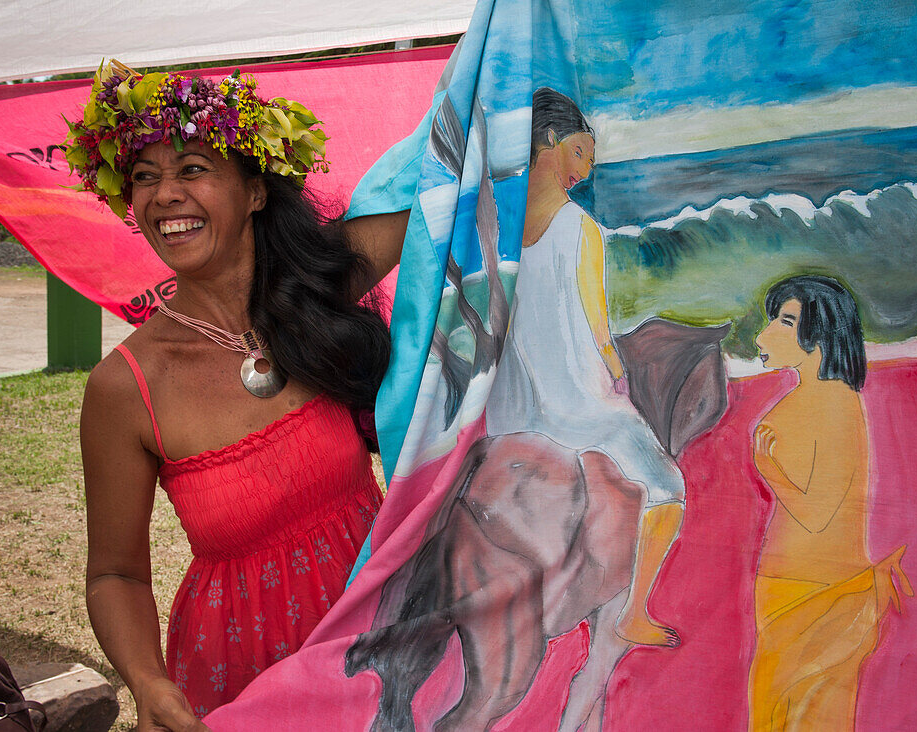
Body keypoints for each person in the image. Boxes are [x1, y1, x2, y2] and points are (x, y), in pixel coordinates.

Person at [67, 61, 406, 730]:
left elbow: (440, 175)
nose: (164, 194)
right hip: (242, 674)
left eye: (192, 168)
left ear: (254, 190)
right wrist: (146, 682)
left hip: (379, 629)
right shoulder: (125, 387)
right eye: (144, 176)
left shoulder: (313, 296)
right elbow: (117, 575)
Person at [485, 86, 686, 648]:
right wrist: (619, 369)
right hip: (575, 405)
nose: (585, 171)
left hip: (510, 409)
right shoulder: (583, 230)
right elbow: (599, 331)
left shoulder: (498, 228)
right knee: (668, 487)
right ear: (549, 141)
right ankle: (632, 613)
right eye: (581, 153)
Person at [750, 276, 912, 731]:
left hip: (820, 587)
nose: (764, 335)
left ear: (820, 335)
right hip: (790, 584)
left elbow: (819, 513)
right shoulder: (811, 397)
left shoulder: (837, 404)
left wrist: (771, 472)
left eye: (785, 321)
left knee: (806, 715)